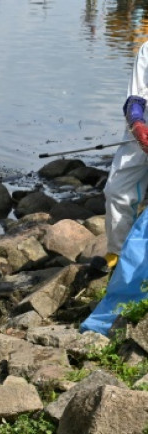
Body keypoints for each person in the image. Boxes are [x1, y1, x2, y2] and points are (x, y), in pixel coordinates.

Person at [101, 40, 148, 273]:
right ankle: (118, 255)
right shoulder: (147, 49)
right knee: (116, 191)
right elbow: (134, 100)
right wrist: (138, 126)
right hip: (141, 133)